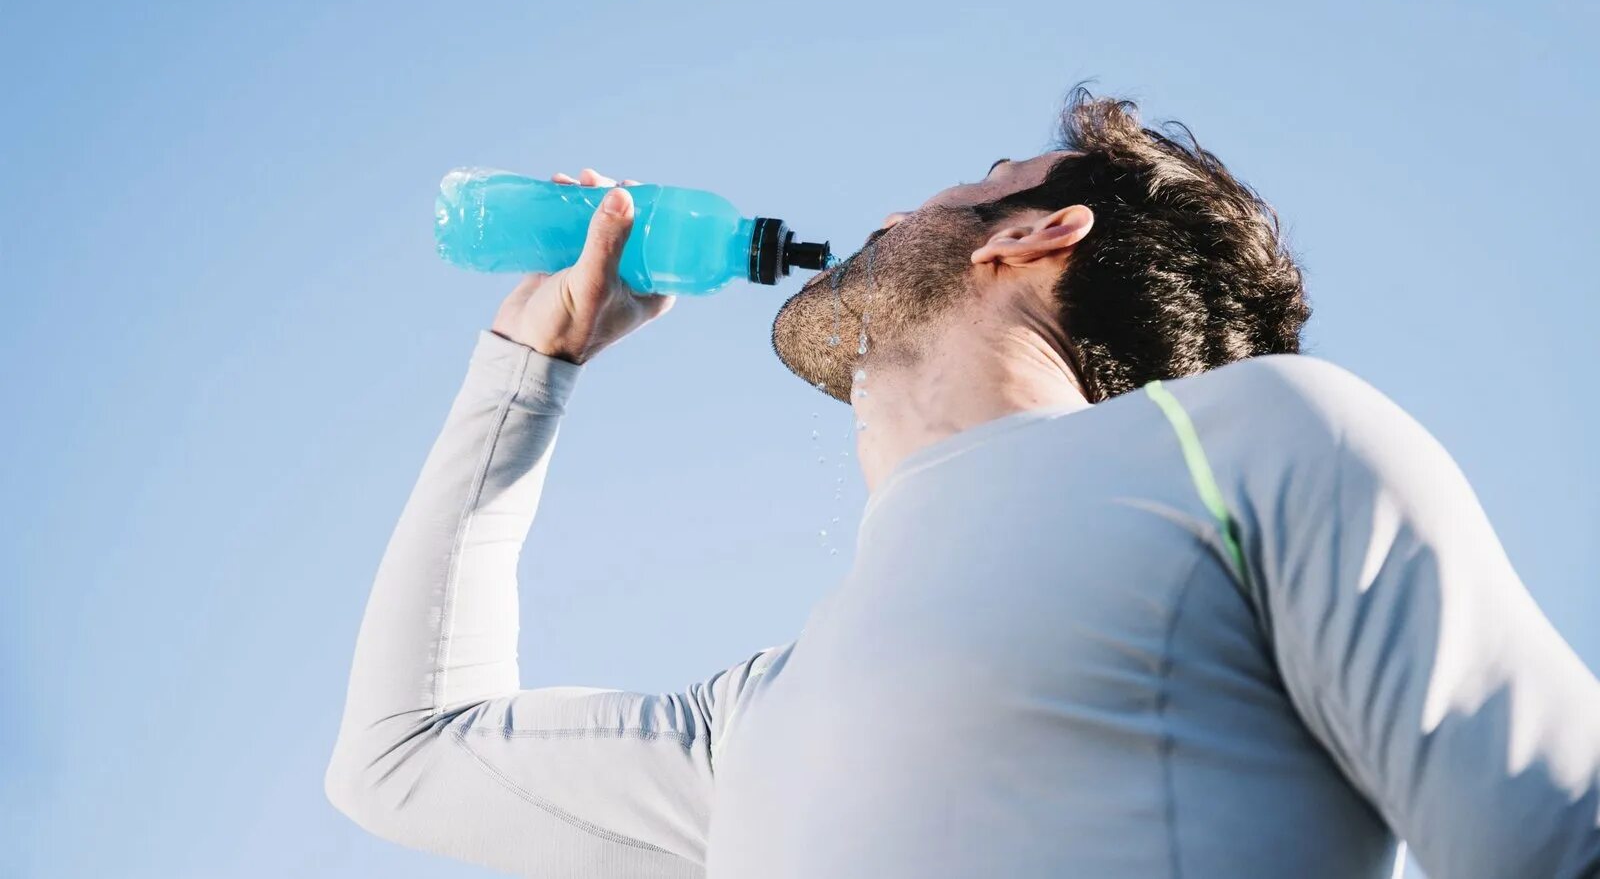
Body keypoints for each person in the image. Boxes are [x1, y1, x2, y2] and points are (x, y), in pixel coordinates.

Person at [324, 89, 1600, 878]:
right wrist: (525, 362)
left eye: (967, 183)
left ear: (1032, 233)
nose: (891, 208)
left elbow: (1559, 832)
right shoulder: (760, 713)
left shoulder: (1257, 438)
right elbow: (404, 757)